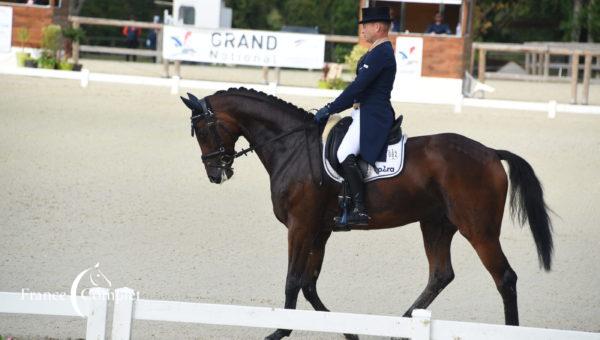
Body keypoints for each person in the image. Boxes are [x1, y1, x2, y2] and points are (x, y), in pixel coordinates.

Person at [314, 6, 397, 226]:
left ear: (378, 27)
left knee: (343, 153)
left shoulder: (382, 53)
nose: (362, 30)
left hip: (373, 115)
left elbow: (358, 87)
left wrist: (331, 108)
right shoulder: (375, 51)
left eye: (366, 26)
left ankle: (360, 209)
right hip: (362, 112)